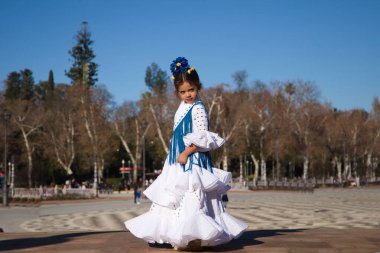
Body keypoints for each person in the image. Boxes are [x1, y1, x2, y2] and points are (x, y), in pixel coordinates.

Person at [125, 57, 247, 251]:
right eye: (182, 92)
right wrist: (175, 155)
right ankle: (177, 233)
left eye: (191, 90)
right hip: (177, 158)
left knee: (192, 193)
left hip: (192, 159)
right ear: (177, 92)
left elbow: (202, 137)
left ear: (198, 87)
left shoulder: (199, 108)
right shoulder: (184, 106)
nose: (187, 94)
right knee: (175, 194)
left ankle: (195, 237)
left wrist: (186, 152)